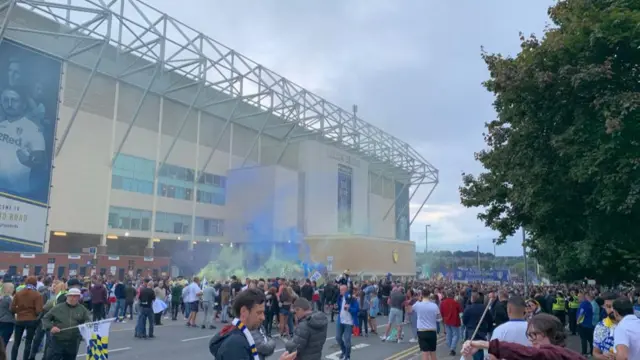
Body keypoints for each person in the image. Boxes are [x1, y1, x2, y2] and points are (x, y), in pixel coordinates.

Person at [209, 288, 297, 360]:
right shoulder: (235, 344)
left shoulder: (239, 335)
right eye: (259, 312)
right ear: (244, 312)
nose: (263, 317)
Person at [462, 313, 586, 360]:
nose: (531, 340)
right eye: (529, 335)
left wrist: (484, 344)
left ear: (552, 334)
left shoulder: (558, 355)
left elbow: (528, 353)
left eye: (535, 335)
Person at [41, 288, 91, 360]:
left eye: (75, 296)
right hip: (58, 340)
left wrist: (85, 326)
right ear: (67, 296)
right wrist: (51, 327)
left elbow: (88, 320)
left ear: (78, 297)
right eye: (70, 296)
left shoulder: (82, 309)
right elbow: (45, 318)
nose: (72, 298)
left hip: (73, 341)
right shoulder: (58, 308)